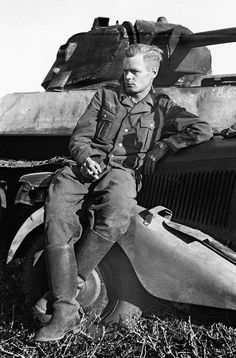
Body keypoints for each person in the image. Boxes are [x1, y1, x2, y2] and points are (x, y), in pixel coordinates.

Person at [35, 44, 213, 342]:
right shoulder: (105, 96)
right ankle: (65, 308)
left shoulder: (162, 107)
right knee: (58, 205)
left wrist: (164, 145)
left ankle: (67, 286)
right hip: (85, 169)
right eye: (125, 71)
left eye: (135, 72)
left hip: (121, 174)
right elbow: (80, 137)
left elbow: (201, 129)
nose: (127, 77)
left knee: (118, 209)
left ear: (153, 73)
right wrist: (84, 159)